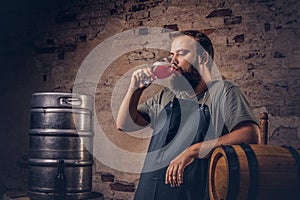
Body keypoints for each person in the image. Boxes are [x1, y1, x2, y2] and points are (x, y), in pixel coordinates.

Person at [116, 30, 260, 200]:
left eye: (182, 53)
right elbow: (124, 124)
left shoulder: (224, 92)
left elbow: (251, 135)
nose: (173, 61)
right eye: (171, 55)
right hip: (150, 191)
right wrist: (134, 89)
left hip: (193, 192)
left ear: (203, 58)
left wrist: (193, 150)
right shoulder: (167, 96)